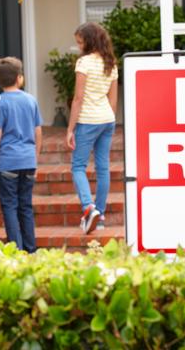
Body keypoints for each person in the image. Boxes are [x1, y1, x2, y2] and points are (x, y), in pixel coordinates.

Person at [66, 22, 118, 234]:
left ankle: (89, 208)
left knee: (78, 166)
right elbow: (113, 99)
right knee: (102, 168)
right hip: (107, 119)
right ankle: (101, 214)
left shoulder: (84, 63)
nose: (79, 46)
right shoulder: (110, 63)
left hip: (88, 120)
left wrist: (70, 129)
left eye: (80, 42)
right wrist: (109, 119)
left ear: (89, 40)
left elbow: (78, 98)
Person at [0, 57, 42, 252]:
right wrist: (35, 159)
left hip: (9, 162)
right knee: (26, 207)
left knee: (10, 207)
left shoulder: (0, 103)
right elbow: (38, 132)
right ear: (19, 78)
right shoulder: (31, 100)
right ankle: (31, 249)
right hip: (28, 161)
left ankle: (15, 249)